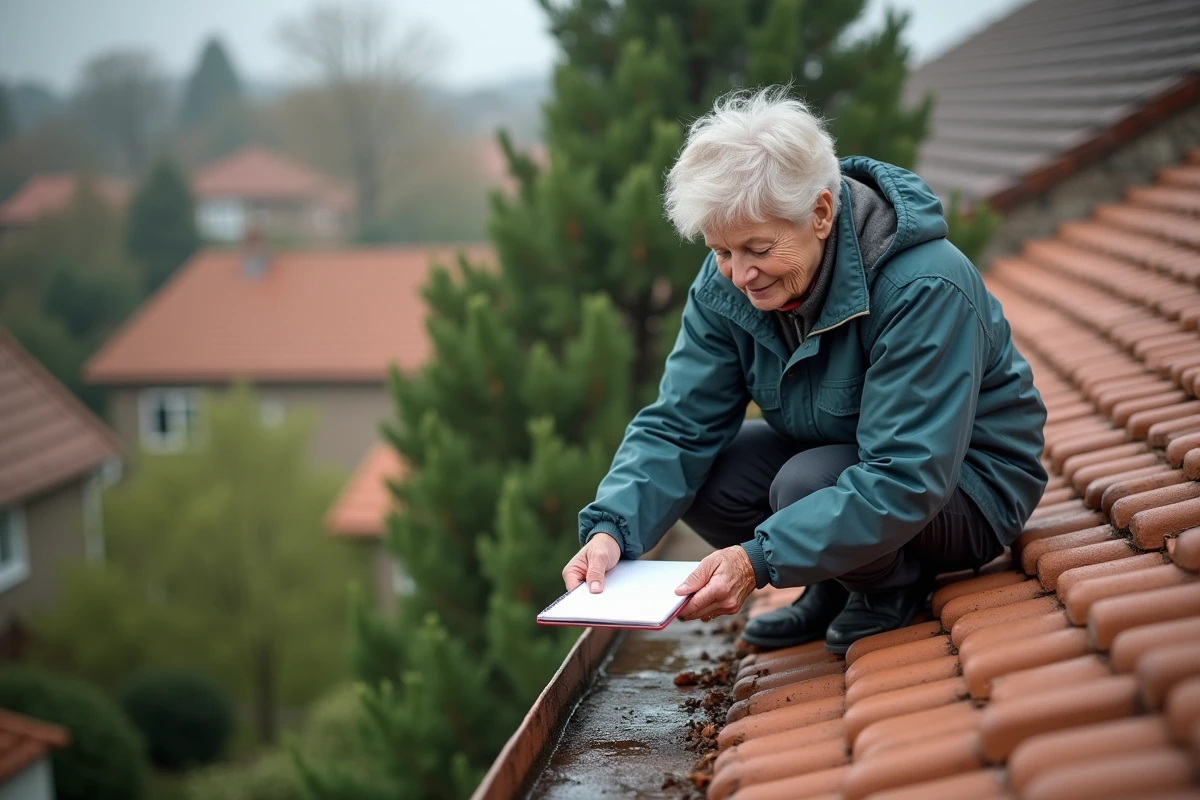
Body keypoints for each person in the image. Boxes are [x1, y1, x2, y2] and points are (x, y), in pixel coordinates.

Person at [561, 87, 1047, 653]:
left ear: (819, 213)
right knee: (709, 475)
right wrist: (611, 528)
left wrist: (759, 559)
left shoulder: (921, 285)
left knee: (803, 484)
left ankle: (886, 587)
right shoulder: (728, 285)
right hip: (841, 460)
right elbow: (679, 425)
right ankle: (839, 583)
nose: (740, 274)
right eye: (721, 251)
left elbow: (907, 473)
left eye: (758, 249)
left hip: (967, 490)